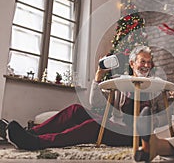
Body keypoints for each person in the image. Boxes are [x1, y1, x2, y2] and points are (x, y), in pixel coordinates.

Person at [3, 45, 164, 151]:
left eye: (149, 63)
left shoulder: (156, 85)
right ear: (132, 63)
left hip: (134, 135)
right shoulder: (120, 82)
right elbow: (96, 103)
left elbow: (162, 116)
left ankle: (38, 142)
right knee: (76, 110)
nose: (147, 66)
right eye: (143, 61)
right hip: (117, 126)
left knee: (93, 126)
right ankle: (28, 134)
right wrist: (98, 77)